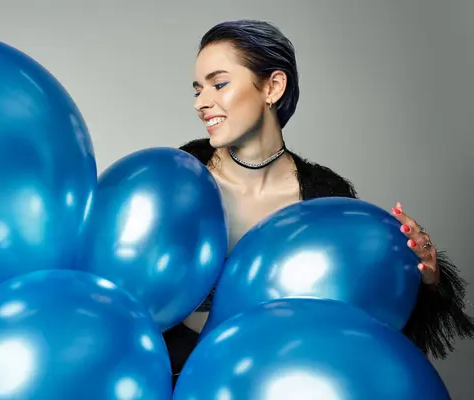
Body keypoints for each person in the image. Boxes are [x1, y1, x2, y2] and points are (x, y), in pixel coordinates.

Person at [163, 19, 474, 386]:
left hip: (274, 383)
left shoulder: (326, 196)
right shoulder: (179, 178)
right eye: (197, 89)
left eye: (219, 84)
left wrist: (424, 277)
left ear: (273, 86)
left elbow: (361, 322)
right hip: (171, 378)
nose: (202, 102)